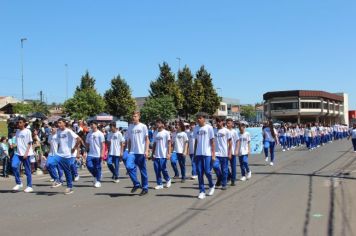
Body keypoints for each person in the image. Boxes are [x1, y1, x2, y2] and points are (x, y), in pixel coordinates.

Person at [55, 118, 81, 195]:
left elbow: (78, 139)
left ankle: (69, 187)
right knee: (51, 164)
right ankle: (59, 180)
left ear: (64, 124)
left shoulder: (68, 131)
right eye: (58, 123)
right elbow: (58, 142)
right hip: (59, 154)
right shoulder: (58, 131)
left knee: (67, 171)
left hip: (67, 154)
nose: (58, 124)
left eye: (60, 123)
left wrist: (74, 148)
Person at [126, 111, 150, 196]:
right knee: (128, 166)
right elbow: (128, 140)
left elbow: (147, 139)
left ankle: (145, 188)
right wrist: (128, 150)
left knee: (143, 171)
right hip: (132, 152)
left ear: (139, 117)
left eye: (135, 116)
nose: (133, 117)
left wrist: (146, 150)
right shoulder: (130, 127)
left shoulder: (143, 126)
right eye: (133, 116)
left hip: (141, 152)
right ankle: (136, 184)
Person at [194, 112, 216, 200]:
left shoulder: (209, 128)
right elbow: (196, 141)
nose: (198, 119)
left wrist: (213, 154)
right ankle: (202, 191)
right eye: (197, 118)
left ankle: (211, 185)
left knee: (207, 171)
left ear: (204, 119)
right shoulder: (196, 128)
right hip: (199, 154)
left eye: (200, 118)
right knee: (199, 173)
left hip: (207, 153)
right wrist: (195, 153)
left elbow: (212, 141)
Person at [11, 117, 34, 193]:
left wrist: (26, 153)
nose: (18, 124)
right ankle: (19, 183)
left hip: (26, 154)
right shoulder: (17, 131)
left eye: (20, 122)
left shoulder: (28, 131)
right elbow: (18, 142)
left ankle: (29, 186)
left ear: (24, 123)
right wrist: (13, 145)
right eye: (18, 122)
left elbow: (30, 143)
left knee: (27, 170)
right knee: (14, 166)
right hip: (18, 153)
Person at [151, 119, 172, 190]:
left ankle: (168, 179)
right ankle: (159, 184)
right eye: (157, 123)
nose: (157, 124)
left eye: (159, 123)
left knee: (163, 169)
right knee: (157, 169)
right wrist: (152, 153)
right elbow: (154, 143)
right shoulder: (155, 133)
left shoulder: (166, 133)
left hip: (163, 154)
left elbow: (169, 144)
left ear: (163, 124)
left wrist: (169, 153)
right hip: (156, 154)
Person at [213, 117, 232, 190]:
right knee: (215, 166)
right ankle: (219, 177)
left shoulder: (226, 131)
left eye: (219, 121)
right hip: (216, 153)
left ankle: (224, 184)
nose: (218, 123)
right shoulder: (214, 130)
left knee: (224, 170)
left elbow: (230, 142)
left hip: (224, 153)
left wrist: (229, 153)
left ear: (222, 122)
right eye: (217, 121)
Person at [85, 121, 105, 188]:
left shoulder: (100, 134)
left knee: (97, 167)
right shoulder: (89, 134)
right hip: (90, 153)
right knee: (89, 165)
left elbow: (103, 145)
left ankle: (98, 181)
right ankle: (97, 176)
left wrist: (102, 153)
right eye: (90, 124)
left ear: (96, 125)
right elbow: (87, 144)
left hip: (98, 154)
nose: (91, 126)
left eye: (92, 124)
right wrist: (85, 151)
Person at [46, 123, 64, 187]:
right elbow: (50, 144)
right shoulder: (50, 136)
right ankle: (56, 178)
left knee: (58, 167)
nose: (52, 129)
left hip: (57, 154)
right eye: (51, 127)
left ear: (57, 128)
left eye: (53, 127)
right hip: (51, 154)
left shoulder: (58, 135)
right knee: (48, 165)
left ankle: (60, 180)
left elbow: (61, 144)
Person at [226, 119, 238, 186]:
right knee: (224, 166)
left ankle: (233, 180)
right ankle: (229, 176)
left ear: (232, 124)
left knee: (233, 167)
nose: (227, 124)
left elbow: (237, 141)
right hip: (225, 152)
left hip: (233, 151)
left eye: (229, 123)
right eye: (227, 123)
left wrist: (236, 150)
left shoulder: (234, 132)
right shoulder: (224, 131)